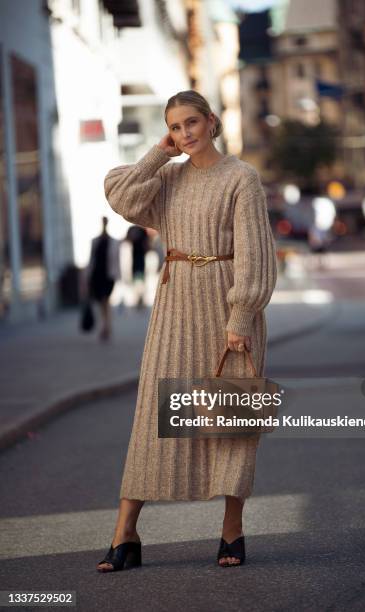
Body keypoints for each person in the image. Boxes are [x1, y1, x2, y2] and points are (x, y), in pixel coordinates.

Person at [97, 90, 278, 571]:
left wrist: (240, 318)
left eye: (192, 122)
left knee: (232, 421)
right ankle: (125, 533)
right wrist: (159, 153)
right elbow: (120, 194)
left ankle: (232, 531)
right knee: (153, 420)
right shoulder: (169, 177)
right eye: (175, 127)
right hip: (174, 310)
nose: (185, 133)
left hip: (226, 311)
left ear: (212, 121)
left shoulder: (241, 177)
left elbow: (255, 255)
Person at [87, 216, 120, 341]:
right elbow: (91, 259)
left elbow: (117, 261)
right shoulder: (95, 241)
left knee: (106, 300)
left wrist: (118, 276)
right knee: (101, 302)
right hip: (97, 275)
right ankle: (106, 326)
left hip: (108, 276)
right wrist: (87, 276)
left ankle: (106, 327)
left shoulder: (114, 242)